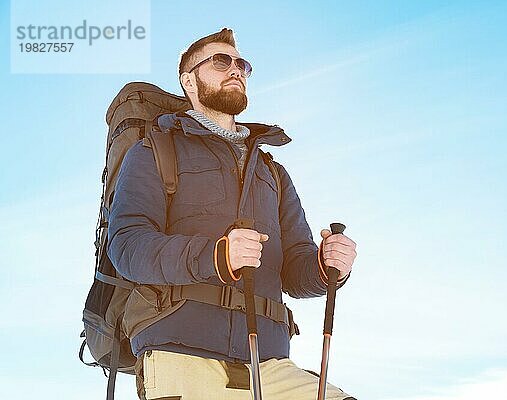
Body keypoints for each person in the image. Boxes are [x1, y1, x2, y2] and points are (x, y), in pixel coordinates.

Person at [107, 27, 358, 400]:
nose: (236, 69)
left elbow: (294, 271)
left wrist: (326, 267)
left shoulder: (271, 171)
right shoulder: (154, 151)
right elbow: (127, 246)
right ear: (188, 81)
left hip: (268, 362)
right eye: (221, 61)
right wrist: (215, 255)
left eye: (242, 64)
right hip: (180, 348)